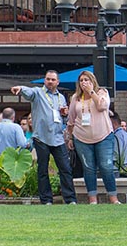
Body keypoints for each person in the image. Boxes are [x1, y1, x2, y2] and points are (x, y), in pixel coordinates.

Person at [10, 71, 77, 205]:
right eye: (48, 79)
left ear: (58, 82)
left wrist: (64, 115)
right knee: (42, 170)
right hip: (41, 138)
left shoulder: (61, 98)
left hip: (58, 138)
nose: (50, 82)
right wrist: (20, 89)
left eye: (53, 79)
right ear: (45, 81)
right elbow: (29, 92)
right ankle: (46, 200)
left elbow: (64, 120)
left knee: (65, 169)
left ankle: (70, 199)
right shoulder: (38, 93)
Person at [66, 70, 119, 205]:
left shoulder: (102, 93)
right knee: (88, 168)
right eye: (81, 80)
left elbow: (102, 106)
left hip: (104, 135)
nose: (84, 82)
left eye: (86, 80)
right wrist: (70, 137)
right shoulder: (75, 98)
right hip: (81, 137)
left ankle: (113, 198)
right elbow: (71, 118)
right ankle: (92, 199)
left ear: (92, 81)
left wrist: (91, 92)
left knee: (106, 166)